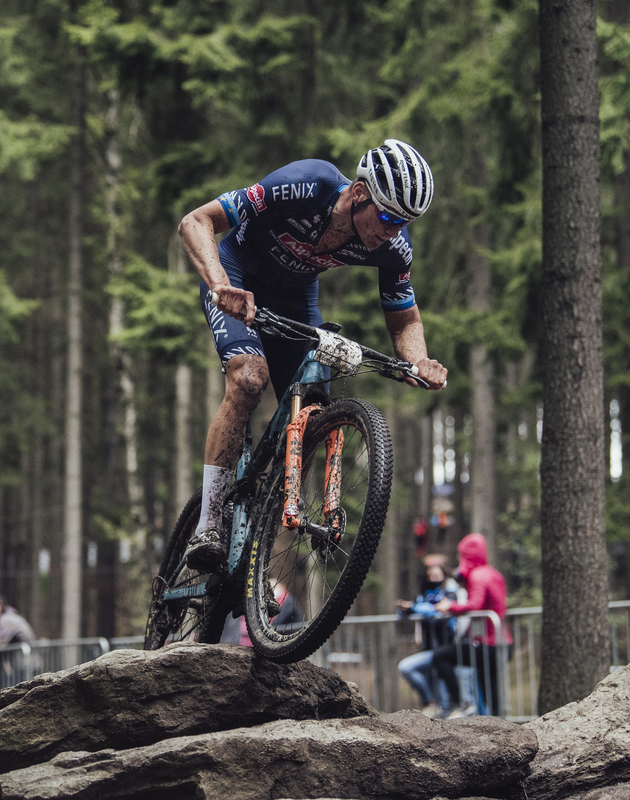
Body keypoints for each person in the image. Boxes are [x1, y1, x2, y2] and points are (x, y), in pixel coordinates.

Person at [177, 141, 448, 571]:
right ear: (359, 193)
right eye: (388, 217)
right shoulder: (306, 184)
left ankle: (261, 543)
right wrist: (219, 283)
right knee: (249, 378)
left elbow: (404, 317)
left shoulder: (392, 247)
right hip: (238, 276)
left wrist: (420, 361)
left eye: (405, 223)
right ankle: (208, 524)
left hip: (295, 299)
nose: (393, 231)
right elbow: (195, 221)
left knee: (313, 414)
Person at [432, 533, 512, 717]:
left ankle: (460, 703)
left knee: (441, 656)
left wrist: (449, 606)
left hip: (487, 645)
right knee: (492, 691)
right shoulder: (493, 573)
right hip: (500, 643)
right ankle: (500, 729)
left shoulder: (477, 576)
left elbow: (475, 604)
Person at [395, 556, 462, 718]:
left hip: (444, 649)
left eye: (437, 575)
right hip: (428, 650)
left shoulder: (449, 591)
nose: (433, 579)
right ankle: (430, 703)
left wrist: (414, 608)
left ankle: (437, 708)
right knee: (436, 691)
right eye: (430, 576)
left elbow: (437, 610)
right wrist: (406, 610)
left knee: (408, 668)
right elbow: (409, 611)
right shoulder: (423, 595)